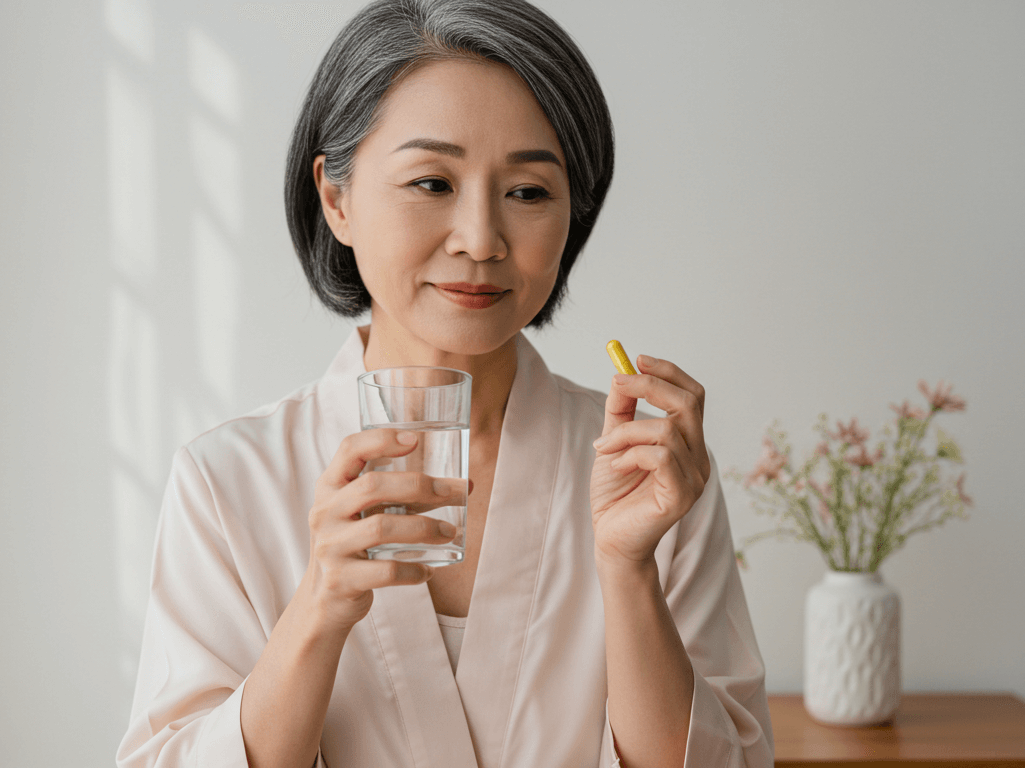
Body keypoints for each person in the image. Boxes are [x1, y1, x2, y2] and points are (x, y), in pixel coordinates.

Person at [117, 0, 775, 766]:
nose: (480, 240)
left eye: (528, 192)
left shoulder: (644, 471)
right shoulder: (228, 482)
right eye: (431, 182)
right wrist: (319, 609)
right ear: (337, 198)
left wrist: (629, 573)